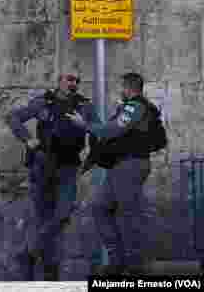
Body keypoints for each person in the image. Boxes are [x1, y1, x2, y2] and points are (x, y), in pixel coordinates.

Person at [67, 72, 166, 275]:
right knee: (100, 207)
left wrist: (83, 125)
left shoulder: (135, 106)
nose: (120, 91)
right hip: (120, 166)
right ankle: (117, 260)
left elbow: (110, 131)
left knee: (128, 214)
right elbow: (110, 139)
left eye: (122, 87)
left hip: (131, 165)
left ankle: (134, 264)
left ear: (129, 88)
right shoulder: (129, 107)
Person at [6, 71, 96, 280]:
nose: (73, 83)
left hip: (69, 166)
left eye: (76, 80)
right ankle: (50, 272)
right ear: (59, 82)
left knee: (63, 214)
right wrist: (27, 139)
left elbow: (98, 130)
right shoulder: (43, 103)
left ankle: (28, 252)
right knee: (43, 218)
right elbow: (13, 117)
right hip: (43, 165)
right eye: (69, 79)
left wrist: (86, 128)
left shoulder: (84, 106)